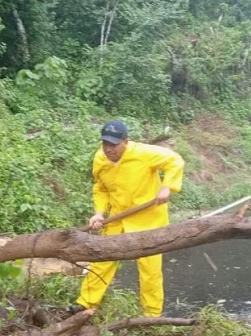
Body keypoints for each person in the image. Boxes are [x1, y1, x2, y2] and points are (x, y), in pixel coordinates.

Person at [71, 120, 185, 317]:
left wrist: (167, 187)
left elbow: (175, 161)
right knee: (102, 258)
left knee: (150, 269)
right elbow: (101, 188)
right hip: (118, 217)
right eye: (105, 144)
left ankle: (151, 315)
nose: (109, 149)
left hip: (149, 220)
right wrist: (99, 213)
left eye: (113, 145)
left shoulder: (143, 153)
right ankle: (86, 303)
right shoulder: (100, 159)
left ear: (125, 142)